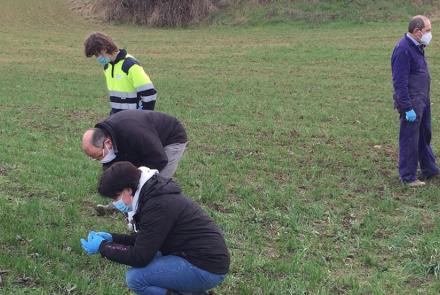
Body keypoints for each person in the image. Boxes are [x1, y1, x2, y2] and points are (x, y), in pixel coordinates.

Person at [80, 161, 230, 295]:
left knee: (136, 279)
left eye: (115, 197)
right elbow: (147, 239)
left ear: (128, 190)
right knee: (154, 258)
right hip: (195, 257)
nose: (115, 203)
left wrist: (103, 247)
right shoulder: (151, 192)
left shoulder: (157, 205)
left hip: (206, 267)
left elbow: (140, 257)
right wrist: (113, 238)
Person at [82, 109, 188, 215]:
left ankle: (151, 212)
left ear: (108, 142)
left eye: (100, 156)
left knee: (156, 183)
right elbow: (114, 172)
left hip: (170, 139)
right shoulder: (108, 135)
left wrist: (136, 179)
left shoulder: (133, 132)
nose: (100, 160)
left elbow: (159, 159)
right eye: (96, 158)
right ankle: (120, 206)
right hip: (143, 144)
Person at [391, 15, 439, 187]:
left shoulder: (418, 46)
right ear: (417, 31)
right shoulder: (403, 49)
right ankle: (408, 176)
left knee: (424, 135)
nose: (430, 34)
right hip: (411, 103)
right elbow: (399, 82)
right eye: (428, 31)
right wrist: (406, 107)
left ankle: (429, 168)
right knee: (410, 138)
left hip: (422, 99)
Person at [84, 32, 157, 114]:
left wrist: (143, 117)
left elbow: (150, 94)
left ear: (104, 49)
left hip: (134, 120)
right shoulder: (107, 67)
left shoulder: (130, 65)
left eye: (97, 55)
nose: (97, 58)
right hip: (117, 118)